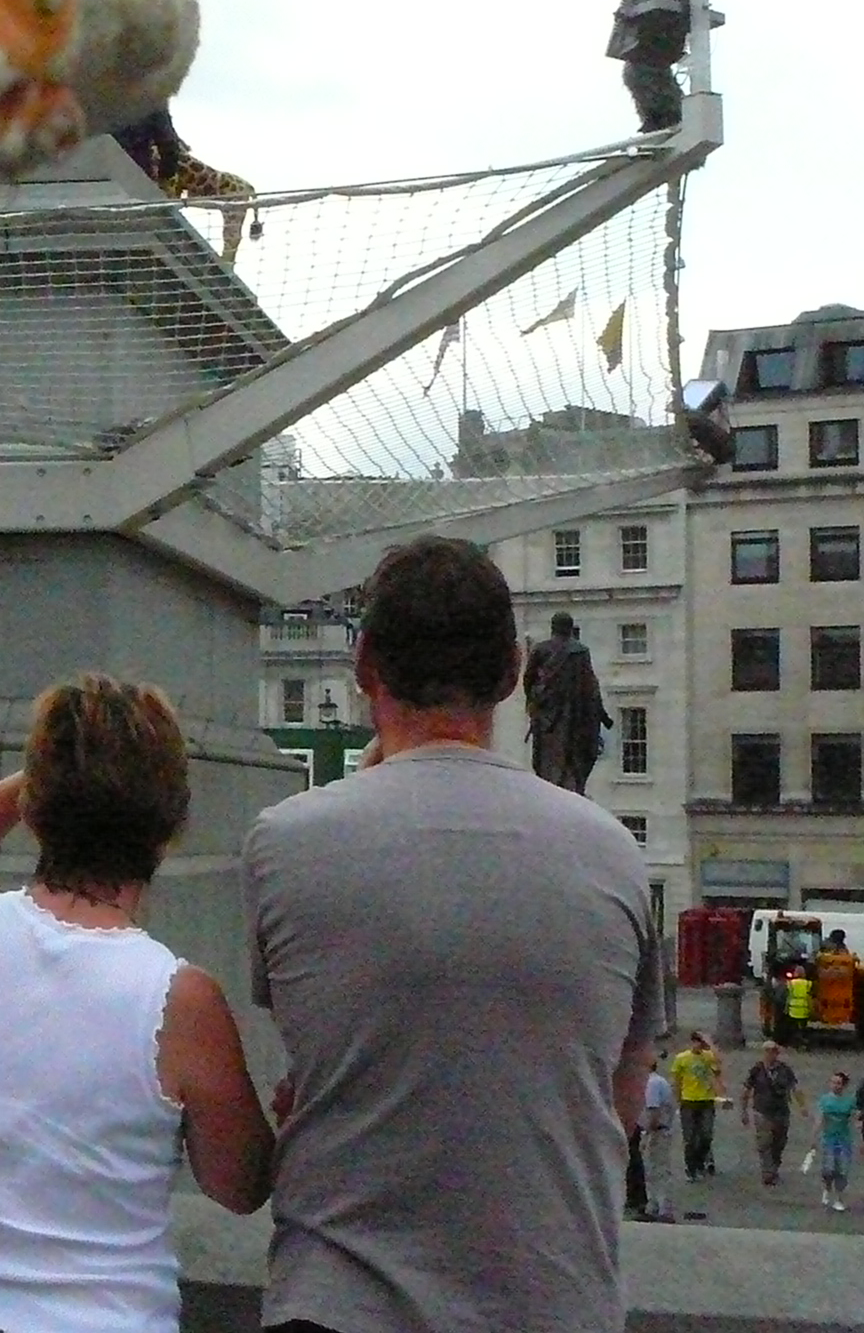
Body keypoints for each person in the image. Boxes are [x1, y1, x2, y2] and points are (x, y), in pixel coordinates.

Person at [243, 536, 661, 1333]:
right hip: (551, 1301)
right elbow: (620, 1097)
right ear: (512, 672)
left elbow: (314, 1066)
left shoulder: (283, 843)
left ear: (364, 665)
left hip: (335, 1303)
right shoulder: (614, 852)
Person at [0, 673, 273, 1333]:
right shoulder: (181, 1001)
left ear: (37, 809)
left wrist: (48, 777)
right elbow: (239, 1186)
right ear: (170, 822)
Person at [522, 611, 612, 792]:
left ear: (552, 628)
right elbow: (591, 688)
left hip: (547, 718)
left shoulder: (540, 649)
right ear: (570, 628)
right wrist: (602, 716)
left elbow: (528, 680)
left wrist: (533, 701)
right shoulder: (580, 651)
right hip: (574, 719)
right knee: (572, 762)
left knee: (547, 762)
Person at [740, 1038, 807, 1185]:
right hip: (762, 1111)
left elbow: (795, 1088)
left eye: (773, 1051)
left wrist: (802, 1106)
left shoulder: (785, 1070)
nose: (770, 1054)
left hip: (781, 1111)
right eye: (767, 1051)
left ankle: (774, 1166)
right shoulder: (756, 1070)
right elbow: (746, 1090)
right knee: (764, 1142)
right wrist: (743, 1110)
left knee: (779, 1141)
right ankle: (767, 1172)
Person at [668, 1029, 726, 1180]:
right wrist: (677, 1100)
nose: (698, 1045)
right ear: (692, 1042)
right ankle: (691, 1167)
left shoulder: (708, 1057)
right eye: (697, 1041)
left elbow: (719, 1060)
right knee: (690, 1137)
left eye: (701, 1042)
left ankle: (701, 1161)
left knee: (706, 1135)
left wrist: (710, 1043)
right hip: (688, 1100)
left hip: (706, 1100)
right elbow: (677, 1081)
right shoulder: (682, 1058)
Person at [641, 1052, 676, 1221]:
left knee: (657, 1168)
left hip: (658, 1130)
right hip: (664, 1128)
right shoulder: (660, 1081)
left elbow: (653, 1110)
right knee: (654, 1168)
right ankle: (653, 1204)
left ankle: (662, 1207)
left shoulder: (651, 1083)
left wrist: (646, 1132)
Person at [818, 1071, 858, 1212]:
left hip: (844, 1140)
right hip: (829, 1139)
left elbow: (854, 1118)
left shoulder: (850, 1101)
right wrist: (814, 1137)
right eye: (833, 1082)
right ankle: (827, 1189)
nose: (836, 1086)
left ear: (844, 1085)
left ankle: (839, 1198)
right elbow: (820, 1119)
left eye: (839, 1083)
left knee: (842, 1170)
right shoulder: (825, 1100)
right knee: (829, 1169)